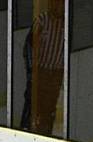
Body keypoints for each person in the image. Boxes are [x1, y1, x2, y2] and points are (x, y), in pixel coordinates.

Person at [20, 0, 64, 134]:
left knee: (49, 110)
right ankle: (24, 132)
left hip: (56, 74)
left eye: (61, 4)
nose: (58, 6)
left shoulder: (67, 24)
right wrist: (31, 72)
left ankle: (45, 134)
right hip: (40, 72)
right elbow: (28, 47)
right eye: (56, 3)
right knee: (32, 105)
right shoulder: (42, 21)